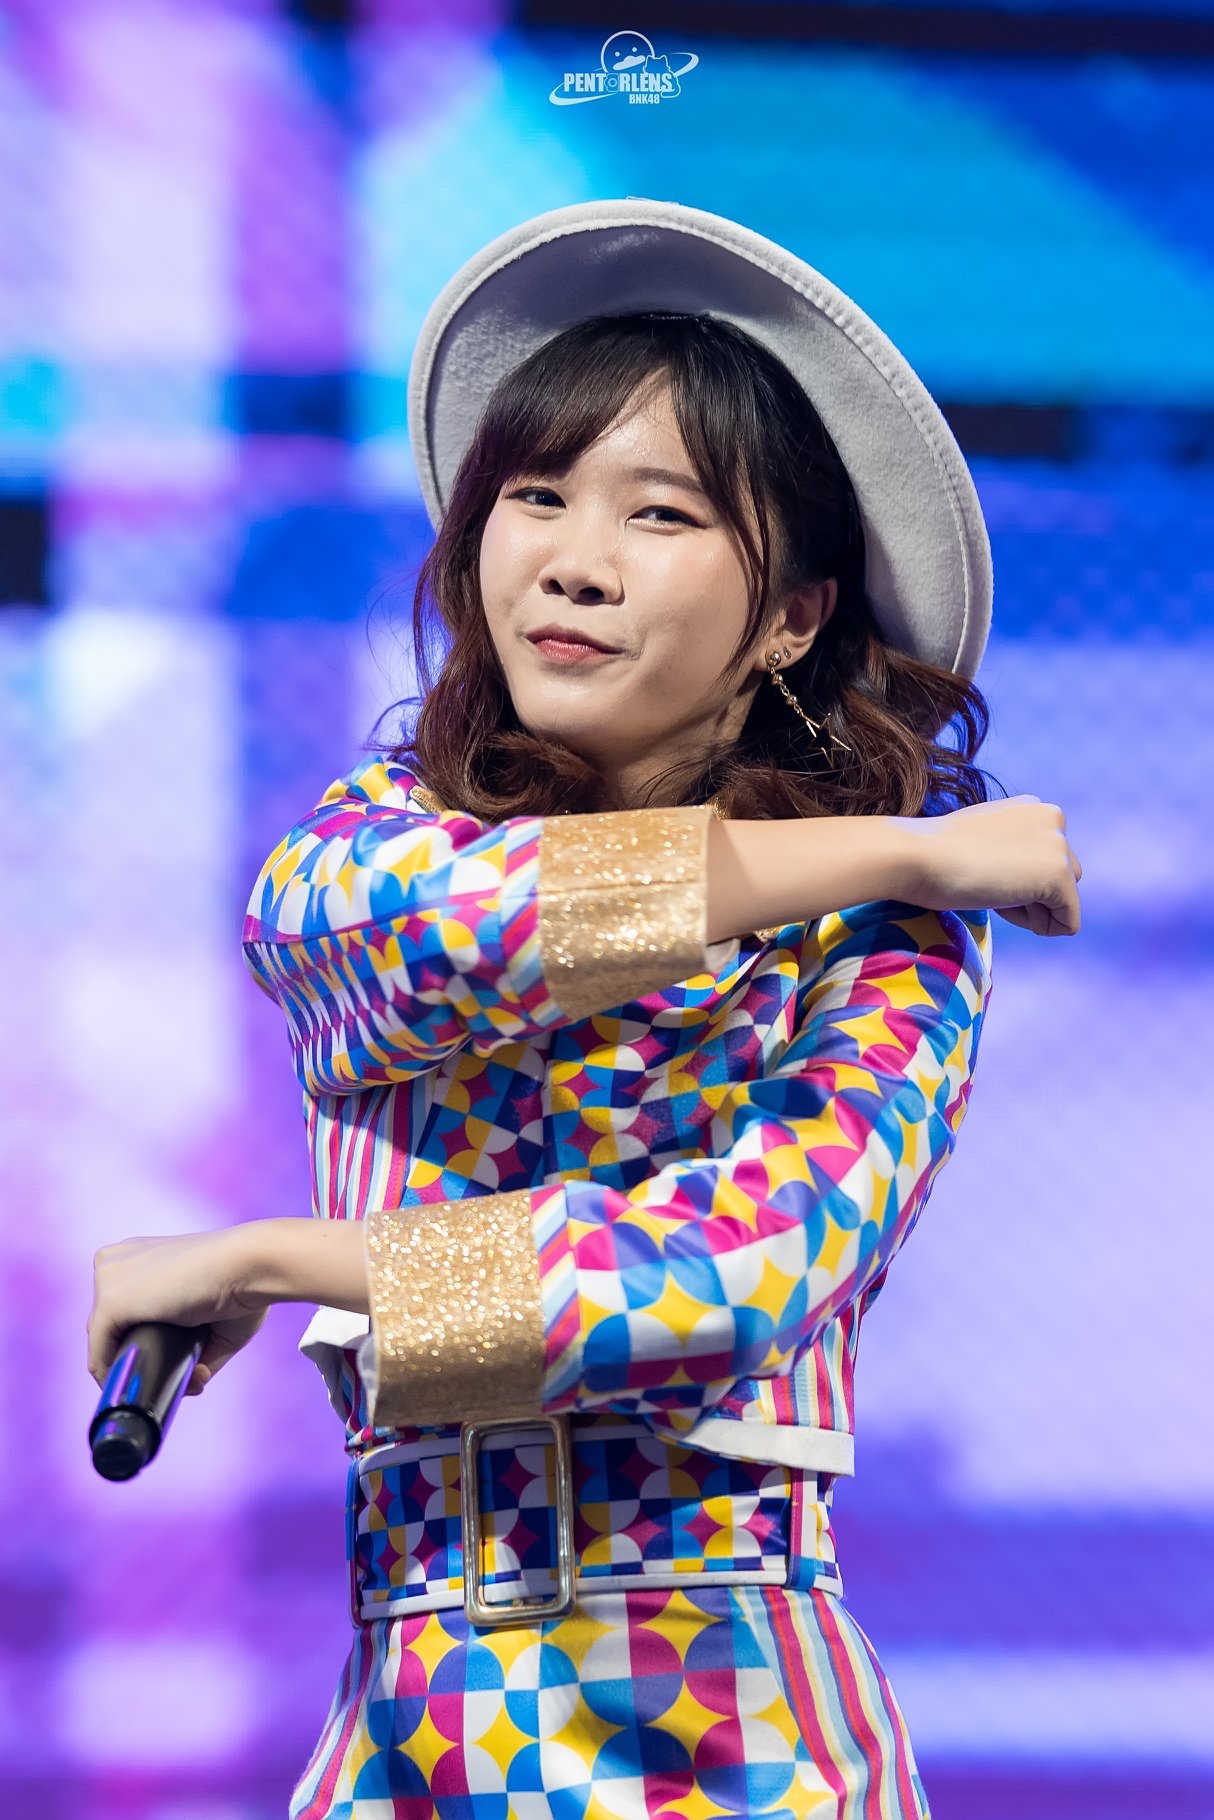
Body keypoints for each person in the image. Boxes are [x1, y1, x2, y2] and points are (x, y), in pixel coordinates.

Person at [87, 201, 1082, 1818]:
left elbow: (718, 1279)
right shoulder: (375, 845)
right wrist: (900, 840)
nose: (571, 558)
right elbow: (483, 930)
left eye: (660, 513)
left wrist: (276, 1260)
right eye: (535, 496)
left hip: (728, 1725)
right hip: (411, 1725)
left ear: (791, 614)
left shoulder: (886, 943)